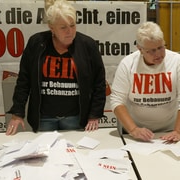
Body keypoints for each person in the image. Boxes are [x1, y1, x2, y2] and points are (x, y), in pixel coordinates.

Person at [6, 0, 106, 135]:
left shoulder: (87, 45)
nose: (70, 32)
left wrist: (94, 114)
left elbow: (99, 83)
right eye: (63, 27)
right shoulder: (36, 43)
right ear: (51, 27)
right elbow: (24, 80)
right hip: (44, 117)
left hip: (76, 117)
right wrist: (17, 113)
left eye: (72, 25)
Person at [110, 22, 180, 142]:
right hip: (134, 131)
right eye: (152, 51)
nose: (158, 54)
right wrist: (133, 129)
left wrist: (178, 131)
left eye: (161, 47)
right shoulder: (128, 64)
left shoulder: (177, 61)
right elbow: (117, 100)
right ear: (140, 49)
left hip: (169, 130)